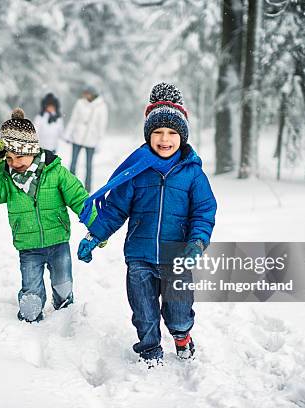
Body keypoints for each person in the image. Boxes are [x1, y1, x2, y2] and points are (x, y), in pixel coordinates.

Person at [76, 83, 217, 367]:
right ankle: (150, 350)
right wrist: (95, 234)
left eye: (172, 133)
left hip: (177, 257)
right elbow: (115, 208)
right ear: (148, 135)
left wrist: (197, 242)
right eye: (158, 133)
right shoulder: (138, 170)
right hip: (139, 256)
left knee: (178, 310)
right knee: (143, 311)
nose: (165, 139)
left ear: (183, 136)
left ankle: (181, 336)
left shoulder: (192, 174)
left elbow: (203, 212)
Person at [0, 108, 96, 323]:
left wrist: (99, 226)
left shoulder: (55, 172)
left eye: (20, 156)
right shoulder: (7, 179)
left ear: (32, 150)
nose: (14, 163)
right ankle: (31, 317)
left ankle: (64, 313)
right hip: (28, 245)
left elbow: (80, 199)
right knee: (31, 291)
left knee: (63, 284)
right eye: (9, 158)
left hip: (58, 242)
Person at [63, 85, 108, 192]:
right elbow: (73, 119)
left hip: (91, 139)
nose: (85, 95)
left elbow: (102, 126)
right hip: (77, 137)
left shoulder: (101, 106)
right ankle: (70, 186)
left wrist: (99, 143)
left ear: (93, 94)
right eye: (85, 93)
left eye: (87, 93)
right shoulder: (80, 103)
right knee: (73, 163)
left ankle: (88, 188)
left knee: (89, 166)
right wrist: (68, 134)